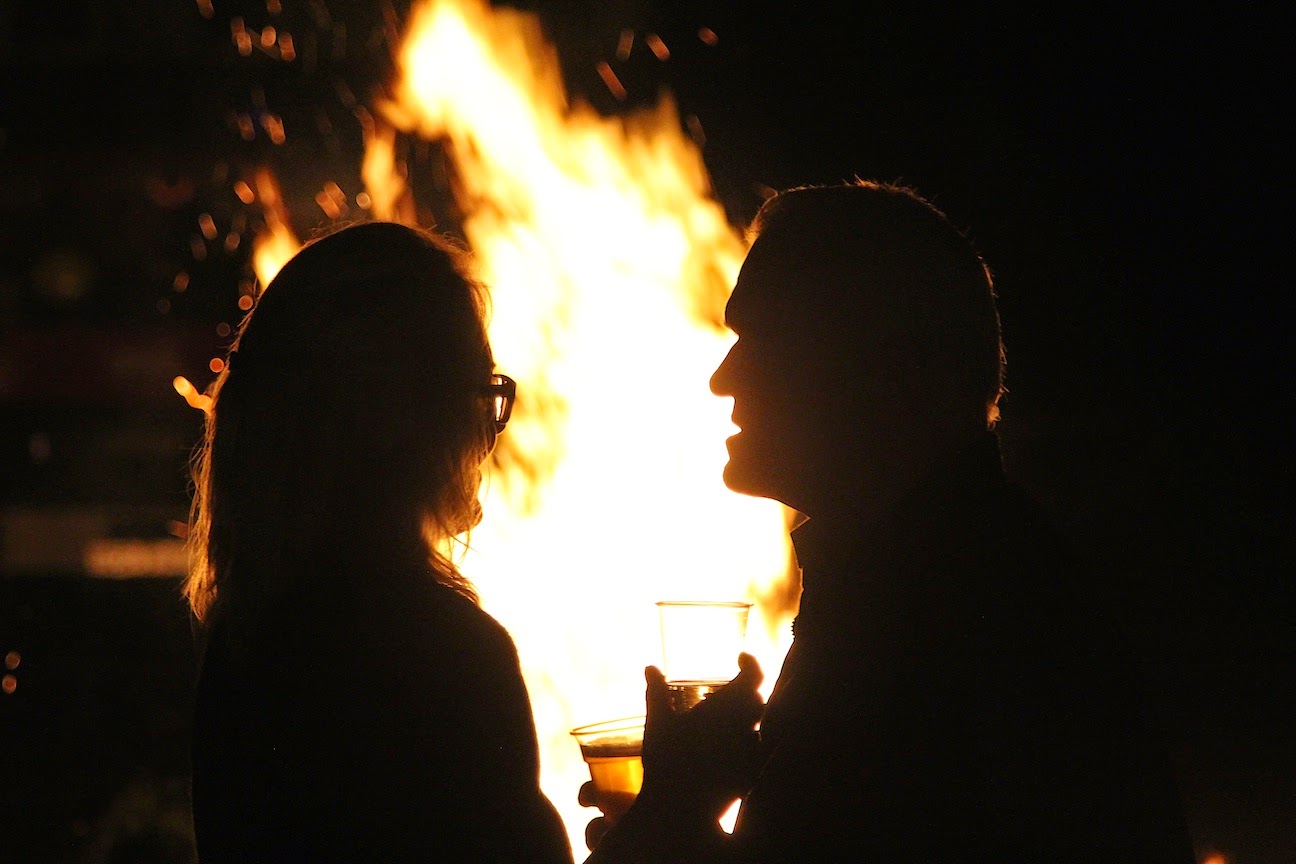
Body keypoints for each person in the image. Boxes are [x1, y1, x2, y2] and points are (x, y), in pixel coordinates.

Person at [586, 180, 1196, 862]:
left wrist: (666, 822)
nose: (722, 379)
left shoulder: (944, 624)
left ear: (889, 369)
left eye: (763, 339)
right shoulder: (953, 581)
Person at [184, 221, 572, 864]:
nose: (489, 431)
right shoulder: (444, 653)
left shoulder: (246, 638)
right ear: (398, 413)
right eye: (480, 393)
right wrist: (673, 810)